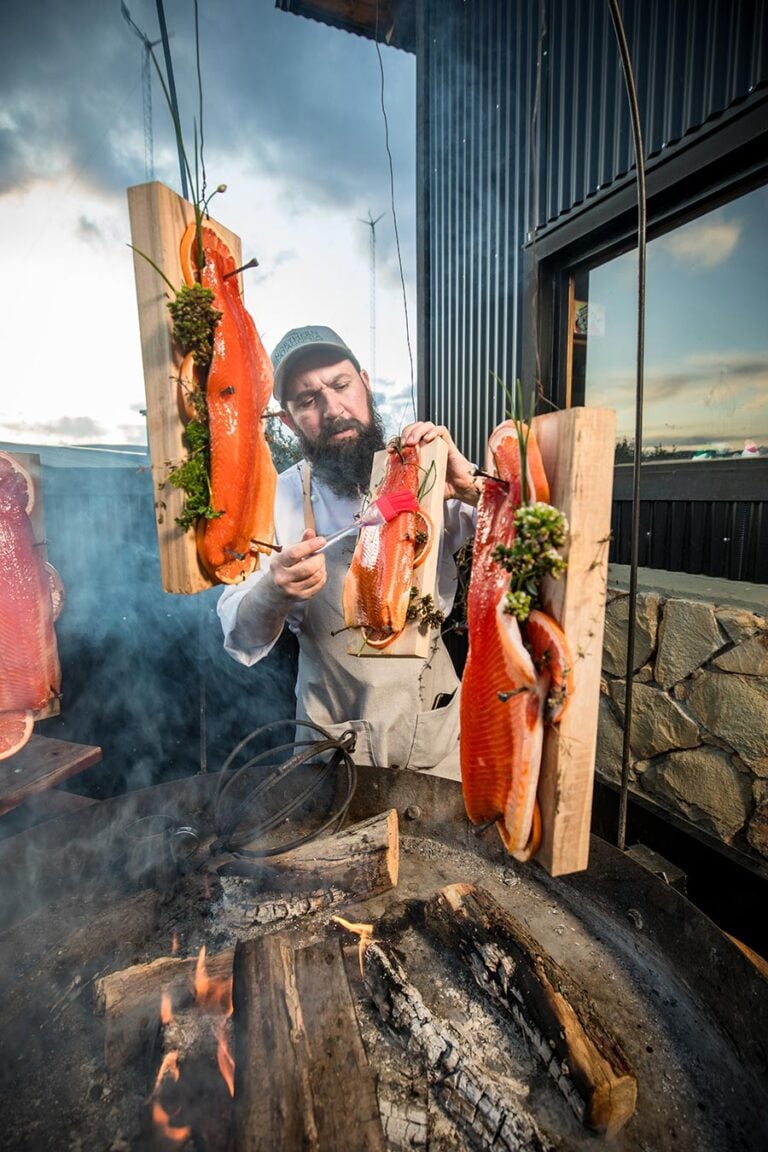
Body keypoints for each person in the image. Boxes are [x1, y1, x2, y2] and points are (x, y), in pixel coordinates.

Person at [217, 325, 480, 776]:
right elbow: (241, 637)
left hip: (432, 738)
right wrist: (275, 590)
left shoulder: (426, 471)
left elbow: (536, 533)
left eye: (340, 386)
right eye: (307, 400)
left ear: (365, 382)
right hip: (329, 749)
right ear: (289, 420)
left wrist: (474, 489)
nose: (333, 410)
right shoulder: (273, 499)